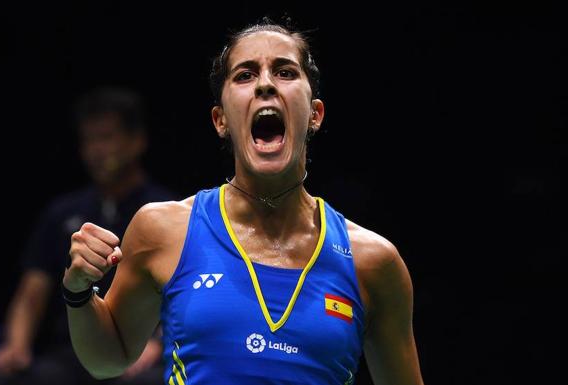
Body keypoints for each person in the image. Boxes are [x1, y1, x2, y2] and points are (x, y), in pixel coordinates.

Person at [63, 20, 425, 385]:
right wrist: (77, 292)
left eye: (284, 71)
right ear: (220, 121)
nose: (266, 84)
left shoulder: (373, 262)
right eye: (245, 75)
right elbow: (107, 360)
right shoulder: (163, 231)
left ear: (314, 114)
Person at [0, 87, 173, 385]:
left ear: (137, 141)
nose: (96, 150)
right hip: (69, 355)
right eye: (89, 140)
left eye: (106, 138)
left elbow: (182, 294)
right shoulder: (62, 213)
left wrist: (158, 344)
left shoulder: (167, 211)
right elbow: (32, 293)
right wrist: (16, 345)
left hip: (136, 353)